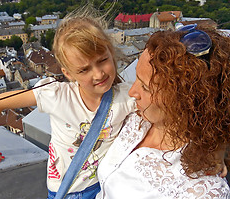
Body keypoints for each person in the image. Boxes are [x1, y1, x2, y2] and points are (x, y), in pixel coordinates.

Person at [0, 9, 135, 198]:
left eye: (103, 61)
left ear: (110, 50)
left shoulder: (129, 96)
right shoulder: (58, 96)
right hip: (62, 190)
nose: (99, 74)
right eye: (84, 70)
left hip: (102, 188)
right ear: (67, 73)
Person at [96, 25, 230, 198]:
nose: (132, 92)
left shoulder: (202, 189)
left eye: (145, 87)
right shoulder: (135, 116)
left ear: (186, 101)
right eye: (136, 78)